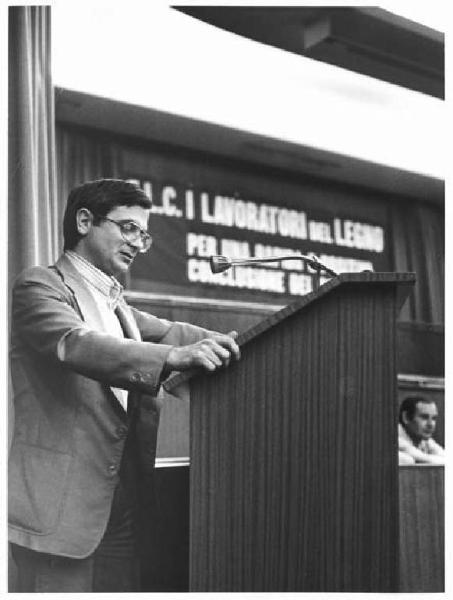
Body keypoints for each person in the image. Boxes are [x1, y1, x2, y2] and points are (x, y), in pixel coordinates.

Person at [8, 178, 240, 592]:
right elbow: (74, 343)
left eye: (144, 234)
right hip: (59, 513)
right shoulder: (40, 286)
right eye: (128, 227)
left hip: (119, 509)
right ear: (84, 221)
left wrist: (248, 344)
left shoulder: (117, 306)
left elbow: (172, 332)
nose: (137, 241)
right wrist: (170, 358)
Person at [398, 396, 444, 465]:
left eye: (434, 418)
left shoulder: (424, 439)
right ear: (406, 417)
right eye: (424, 417)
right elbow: (427, 460)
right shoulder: (395, 438)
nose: (430, 424)